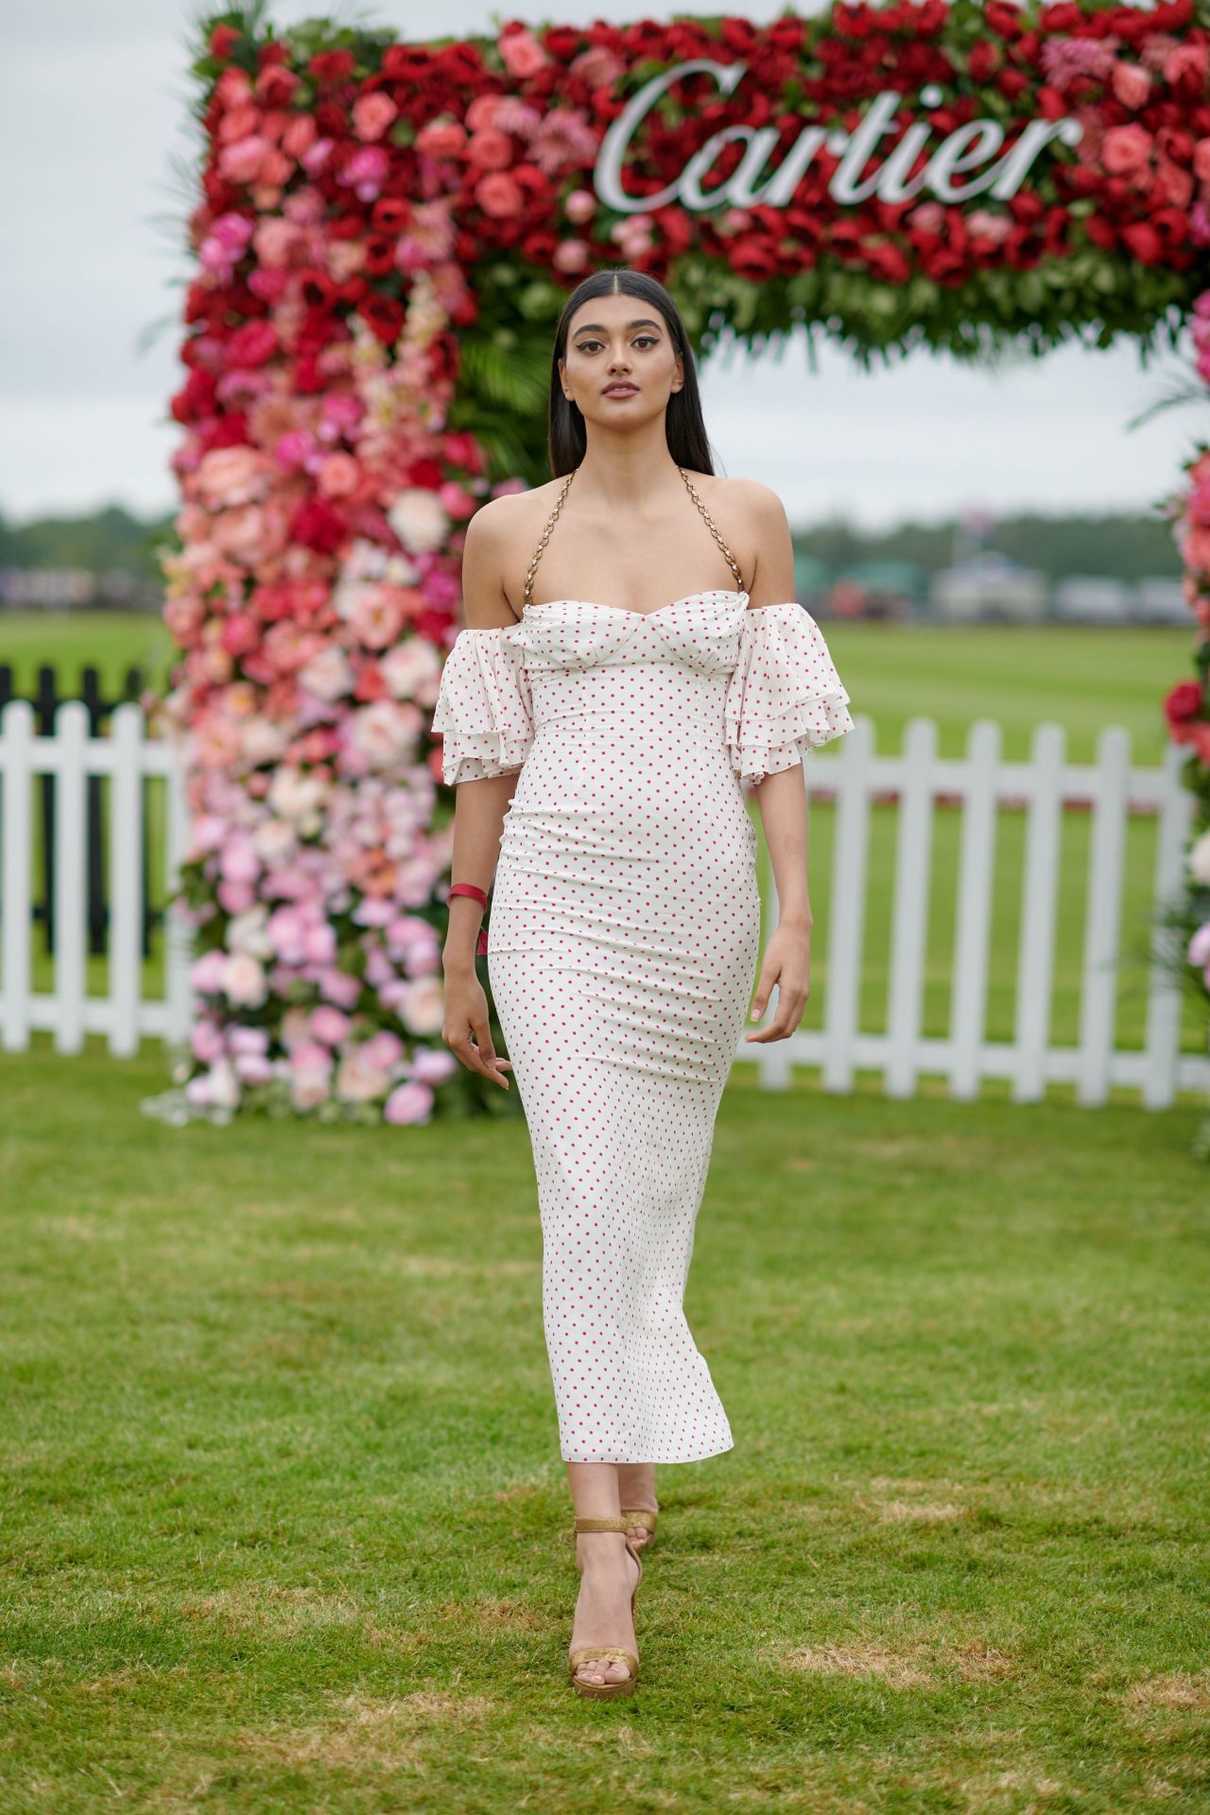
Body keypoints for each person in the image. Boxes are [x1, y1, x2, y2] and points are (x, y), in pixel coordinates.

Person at [433, 267, 854, 1698]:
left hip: (695, 901)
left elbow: (772, 736)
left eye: (641, 339)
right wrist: (462, 933)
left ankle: (626, 1447)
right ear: (564, 379)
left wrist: (796, 910)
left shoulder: (744, 520)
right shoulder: (504, 533)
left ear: (676, 372)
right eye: (587, 343)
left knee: (652, 1201)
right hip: (552, 901)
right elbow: (485, 755)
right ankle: (599, 1542)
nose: (614, 359)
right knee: (586, 1198)